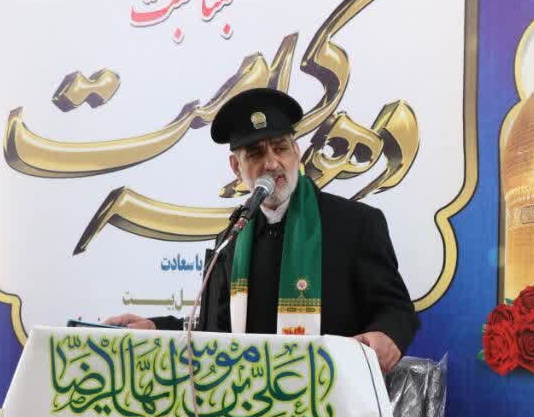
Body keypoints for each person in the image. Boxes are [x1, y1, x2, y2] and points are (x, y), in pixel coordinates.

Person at [105, 87, 418, 372]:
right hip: (248, 402)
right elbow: (216, 331)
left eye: (280, 148)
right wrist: (155, 328)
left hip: (331, 400)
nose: (271, 163)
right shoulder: (231, 238)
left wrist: (387, 334)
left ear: (296, 152)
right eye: (255, 153)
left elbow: (396, 309)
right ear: (236, 167)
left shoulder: (355, 224)